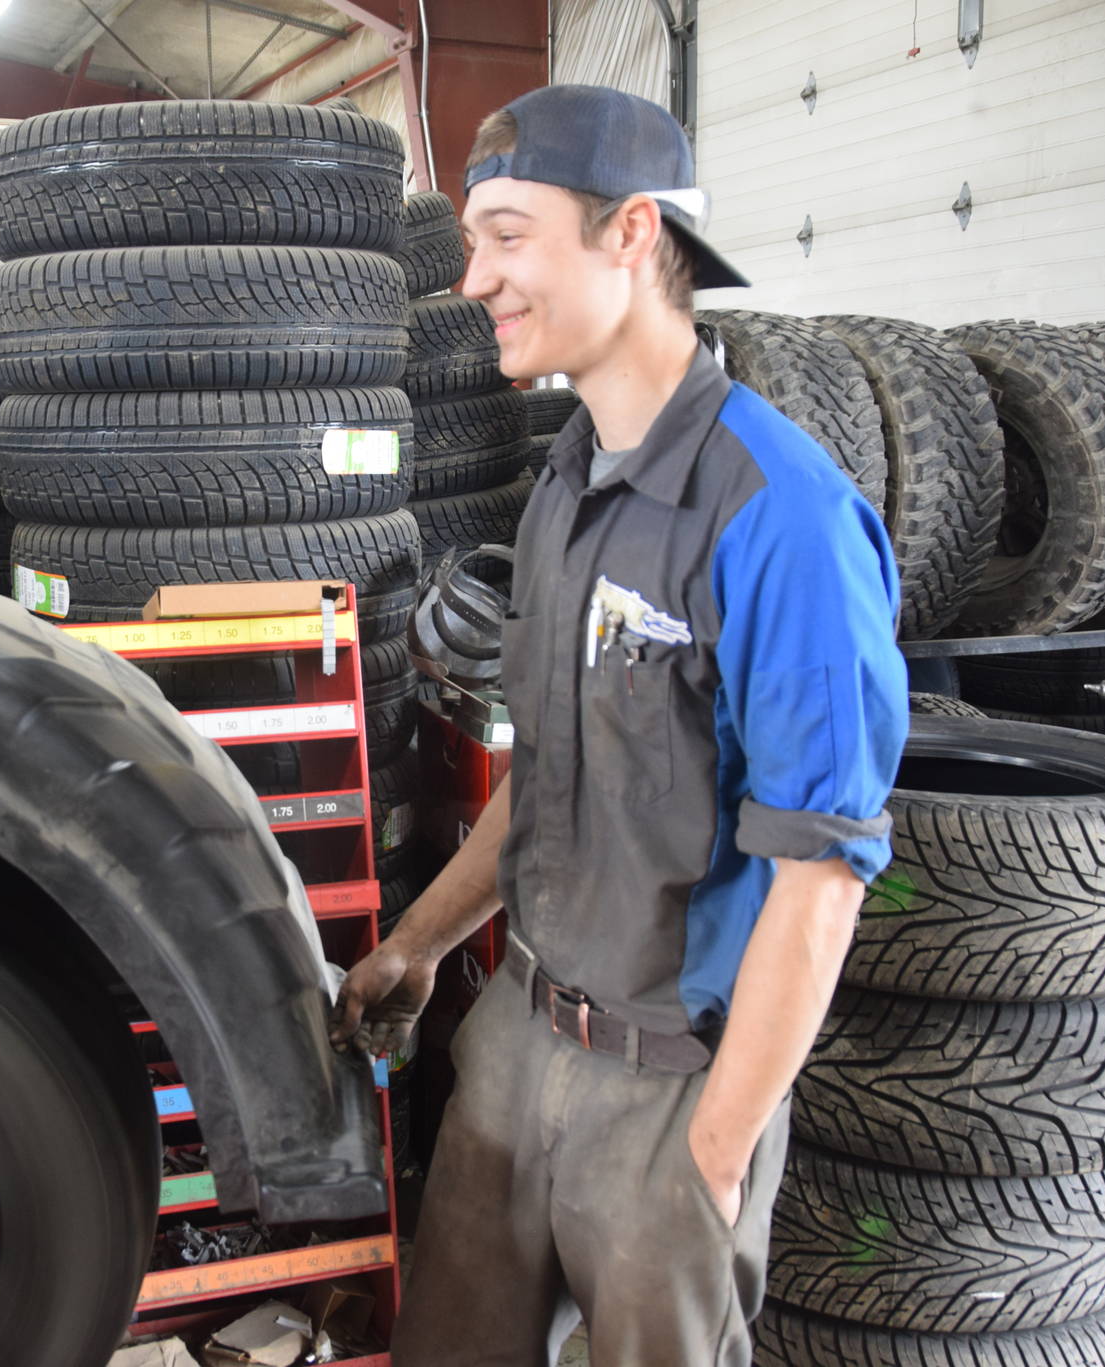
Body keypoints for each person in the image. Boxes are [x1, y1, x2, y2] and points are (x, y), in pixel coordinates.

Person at [330, 85, 909, 1366]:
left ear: (631, 232)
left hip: (668, 1093)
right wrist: (422, 947)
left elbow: (819, 879)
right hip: (515, 1042)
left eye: (505, 235)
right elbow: (545, 771)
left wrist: (714, 1151)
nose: (474, 277)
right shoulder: (562, 488)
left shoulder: (780, 520)